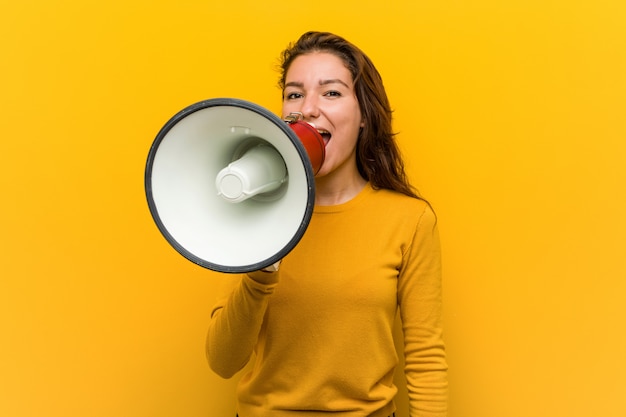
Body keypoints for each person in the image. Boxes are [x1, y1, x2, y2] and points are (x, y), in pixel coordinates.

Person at [206, 31, 448, 417]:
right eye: (294, 94)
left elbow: (425, 359)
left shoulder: (409, 219)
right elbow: (222, 361)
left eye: (331, 93)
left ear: (365, 115)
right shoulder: (253, 213)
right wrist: (262, 269)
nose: (308, 109)